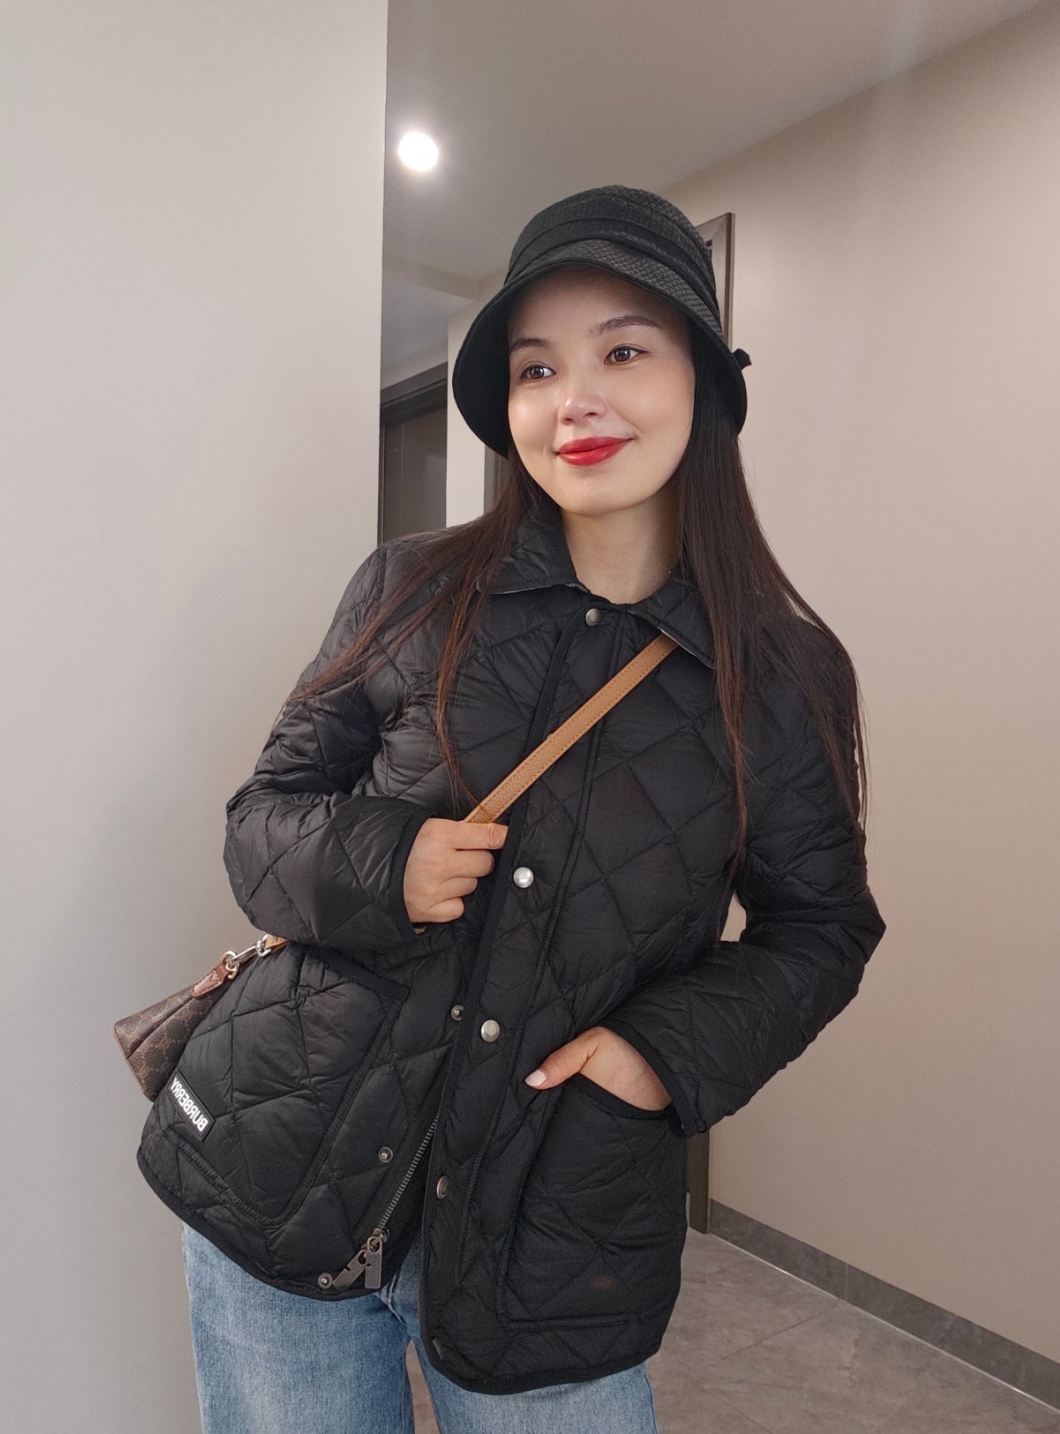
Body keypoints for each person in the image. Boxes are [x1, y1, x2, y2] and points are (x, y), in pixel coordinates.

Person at [145, 185, 886, 1433]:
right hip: (285, 1174)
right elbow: (260, 817)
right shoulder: (408, 587)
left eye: (624, 351)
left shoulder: (783, 673)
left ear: (705, 380)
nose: (573, 400)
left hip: (553, 1235)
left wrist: (656, 1055)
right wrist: (384, 865)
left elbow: (823, 930)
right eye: (537, 368)